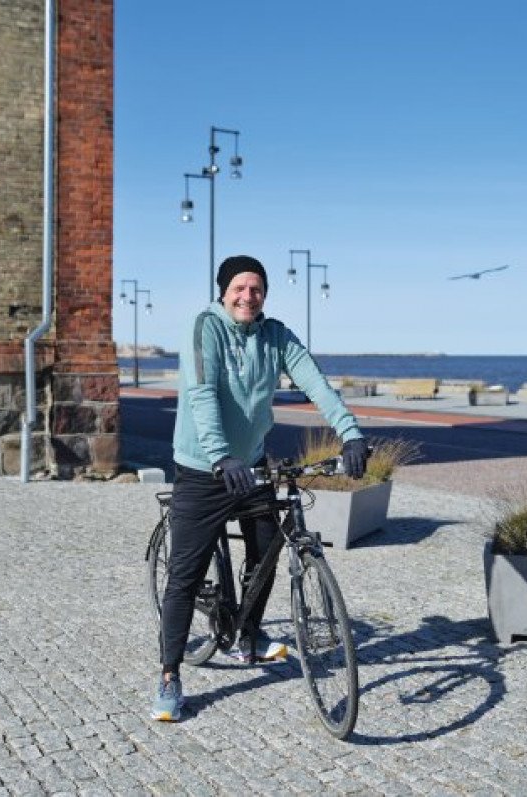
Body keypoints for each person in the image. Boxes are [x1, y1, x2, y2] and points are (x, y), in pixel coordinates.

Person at [151, 255, 369, 722]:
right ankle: (169, 675)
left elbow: (315, 383)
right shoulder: (205, 328)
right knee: (185, 576)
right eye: (239, 288)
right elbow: (201, 392)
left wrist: (350, 433)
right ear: (223, 291)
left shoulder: (275, 335)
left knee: (268, 547)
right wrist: (218, 455)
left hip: (249, 466)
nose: (248, 296)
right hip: (203, 468)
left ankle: (247, 634)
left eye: (256, 289)